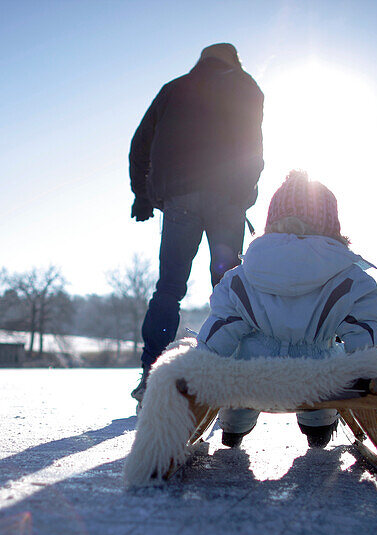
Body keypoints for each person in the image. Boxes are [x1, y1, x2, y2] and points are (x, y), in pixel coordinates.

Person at [194, 170, 377, 448]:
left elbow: (220, 332)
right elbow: (365, 339)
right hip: (318, 378)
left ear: (272, 221)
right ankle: (318, 422)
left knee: (237, 351)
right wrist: (371, 379)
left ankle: (234, 422)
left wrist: (198, 372)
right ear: (331, 223)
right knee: (333, 355)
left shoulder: (240, 278)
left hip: (252, 378)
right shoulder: (352, 280)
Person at [128, 42, 264, 403]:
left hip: (180, 201)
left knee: (170, 287)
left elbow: (139, 145)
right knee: (228, 288)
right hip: (226, 200)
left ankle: (150, 376)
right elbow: (254, 149)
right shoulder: (246, 87)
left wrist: (143, 194)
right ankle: (229, 373)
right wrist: (244, 193)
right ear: (234, 61)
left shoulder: (174, 89)